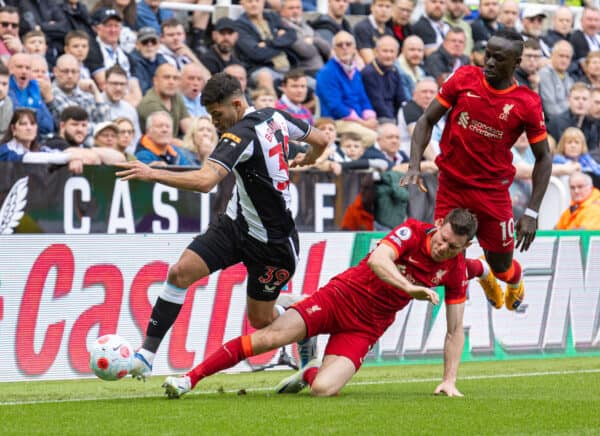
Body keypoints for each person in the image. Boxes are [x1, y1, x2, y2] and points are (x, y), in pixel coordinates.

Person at [115, 72, 329, 381]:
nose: (215, 123)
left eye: (217, 115)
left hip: (274, 244)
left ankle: (301, 324)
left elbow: (205, 182)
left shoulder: (240, 135)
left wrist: (153, 174)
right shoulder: (276, 116)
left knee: (261, 320)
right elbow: (322, 139)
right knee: (180, 272)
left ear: (238, 104)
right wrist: (309, 158)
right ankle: (145, 357)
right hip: (236, 224)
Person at [161, 208, 477, 399]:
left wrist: (449, 380)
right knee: (269, 337)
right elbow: (380, 260)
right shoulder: (411, 230)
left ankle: (309, 370)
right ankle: (190, 378)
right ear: (439, 223)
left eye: (453, 247)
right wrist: (409, 288)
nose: (442, 247)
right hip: (338, 298)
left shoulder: (457, 268)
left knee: (324, 390)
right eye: (442, 238)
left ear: (466, 246)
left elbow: (454, 330)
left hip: (366, 327)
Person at [401, 29, 552, 312]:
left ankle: (510, 279)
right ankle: (481, 274)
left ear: (516, 63)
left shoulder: (527, 103)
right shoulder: (464, 78)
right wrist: (414, 166)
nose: (490, 63)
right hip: (452, 186)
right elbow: (425, 121)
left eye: (499, 58)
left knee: (502, 266)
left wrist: (531, 212)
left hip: (492, 193)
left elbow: (543, 158)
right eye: (488, 55)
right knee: (443, 252)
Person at [361, 35, 407, 120]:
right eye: (385, 51)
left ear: (397, 54)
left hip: (394, 116)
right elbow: (377, 104)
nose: (389, 55)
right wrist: (394, 121)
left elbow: (401, 98)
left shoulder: (394, 70)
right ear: (376, 52)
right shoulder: (369, 73)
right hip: (378, 117)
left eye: (392, 51)